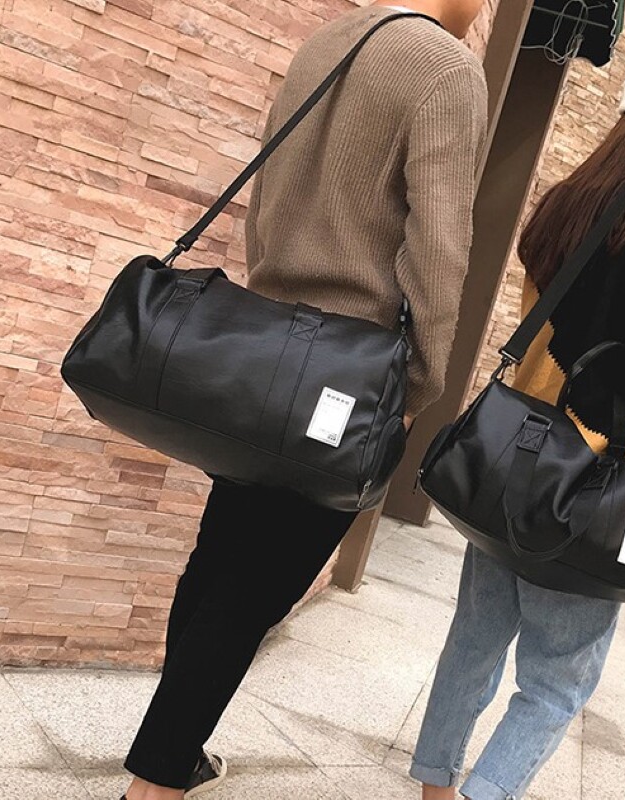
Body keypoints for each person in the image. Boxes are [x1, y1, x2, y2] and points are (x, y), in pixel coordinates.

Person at [118, 2, 488, 799]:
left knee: (220, 559)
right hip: (347, 375)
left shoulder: (328, 40)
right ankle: (154, 782)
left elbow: (270, 199)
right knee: (258, 585)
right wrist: (417, 387)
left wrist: (273, 303)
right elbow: (440, 252)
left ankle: (174, 753)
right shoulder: (448, 70)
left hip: (263, 353)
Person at [408, 6, 625, 799]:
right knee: (556, 681)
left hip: (515, 456)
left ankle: (434, 787)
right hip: (590, 483)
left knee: (474, 641)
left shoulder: (572, 196)